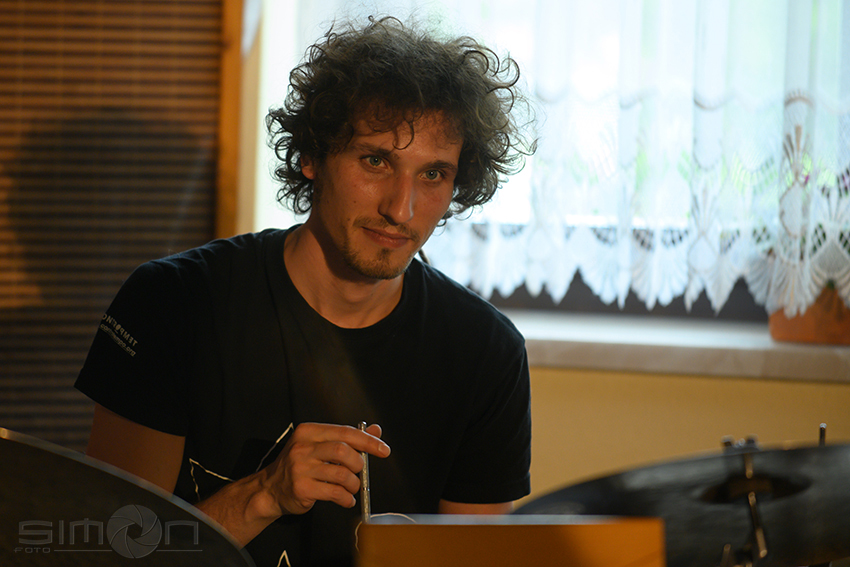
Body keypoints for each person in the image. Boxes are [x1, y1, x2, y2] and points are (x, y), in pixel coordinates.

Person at [75, 16, 535, 567]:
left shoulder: (486, 352)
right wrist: (261, 495)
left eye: (433, 175)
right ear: (311, 158)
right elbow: (110, 552)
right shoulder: (171, 303)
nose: (401, 208)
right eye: (376, 160)